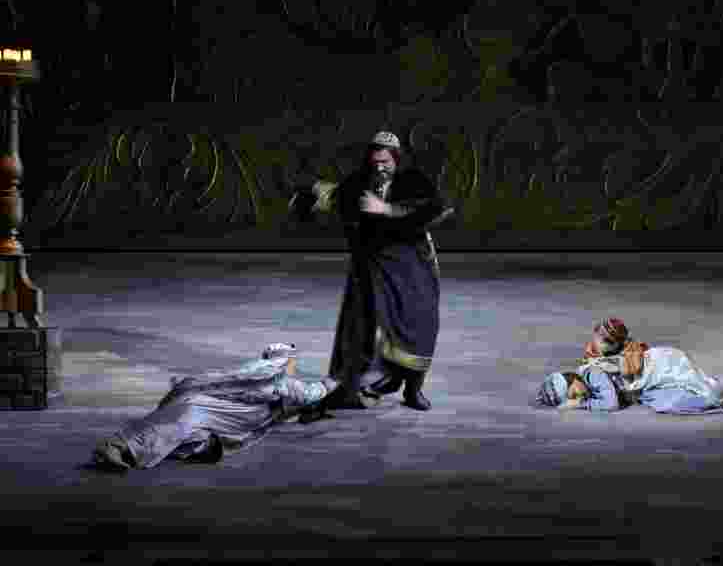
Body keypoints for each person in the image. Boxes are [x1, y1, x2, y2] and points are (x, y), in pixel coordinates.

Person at [293, 131, 453, 412]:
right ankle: (369, 384)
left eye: (385, 162)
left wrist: (388, 209)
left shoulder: (413, 180)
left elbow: (436, 208)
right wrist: (310, 197)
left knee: (419, 324)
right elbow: (337, 198)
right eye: (375, 161)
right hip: (374, 266)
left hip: (412, 265)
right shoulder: (359, 181)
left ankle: (413, 389)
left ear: (396, 160)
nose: (380, 167)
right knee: (369, 327)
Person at [91, 343, 339, 470]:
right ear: (286, 361)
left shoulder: (256, 371)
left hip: (223, 414)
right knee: (182, 420)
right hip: (220, 411)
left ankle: (124, 449)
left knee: (189, 429)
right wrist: (331, 383)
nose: (293, 365)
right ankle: (117, 447)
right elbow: (309, 393)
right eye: (292, 361)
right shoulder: (278, 378)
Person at [534, 317, 723, 414]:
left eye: (572, 393)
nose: (576, 397)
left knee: (706, 393)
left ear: (572, 379)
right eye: (572, 398)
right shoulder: (592, 364)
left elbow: (610, 403)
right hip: (651, 383)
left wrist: (580, 405)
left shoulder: (592, 374)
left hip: (664, 365)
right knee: (679, 403)